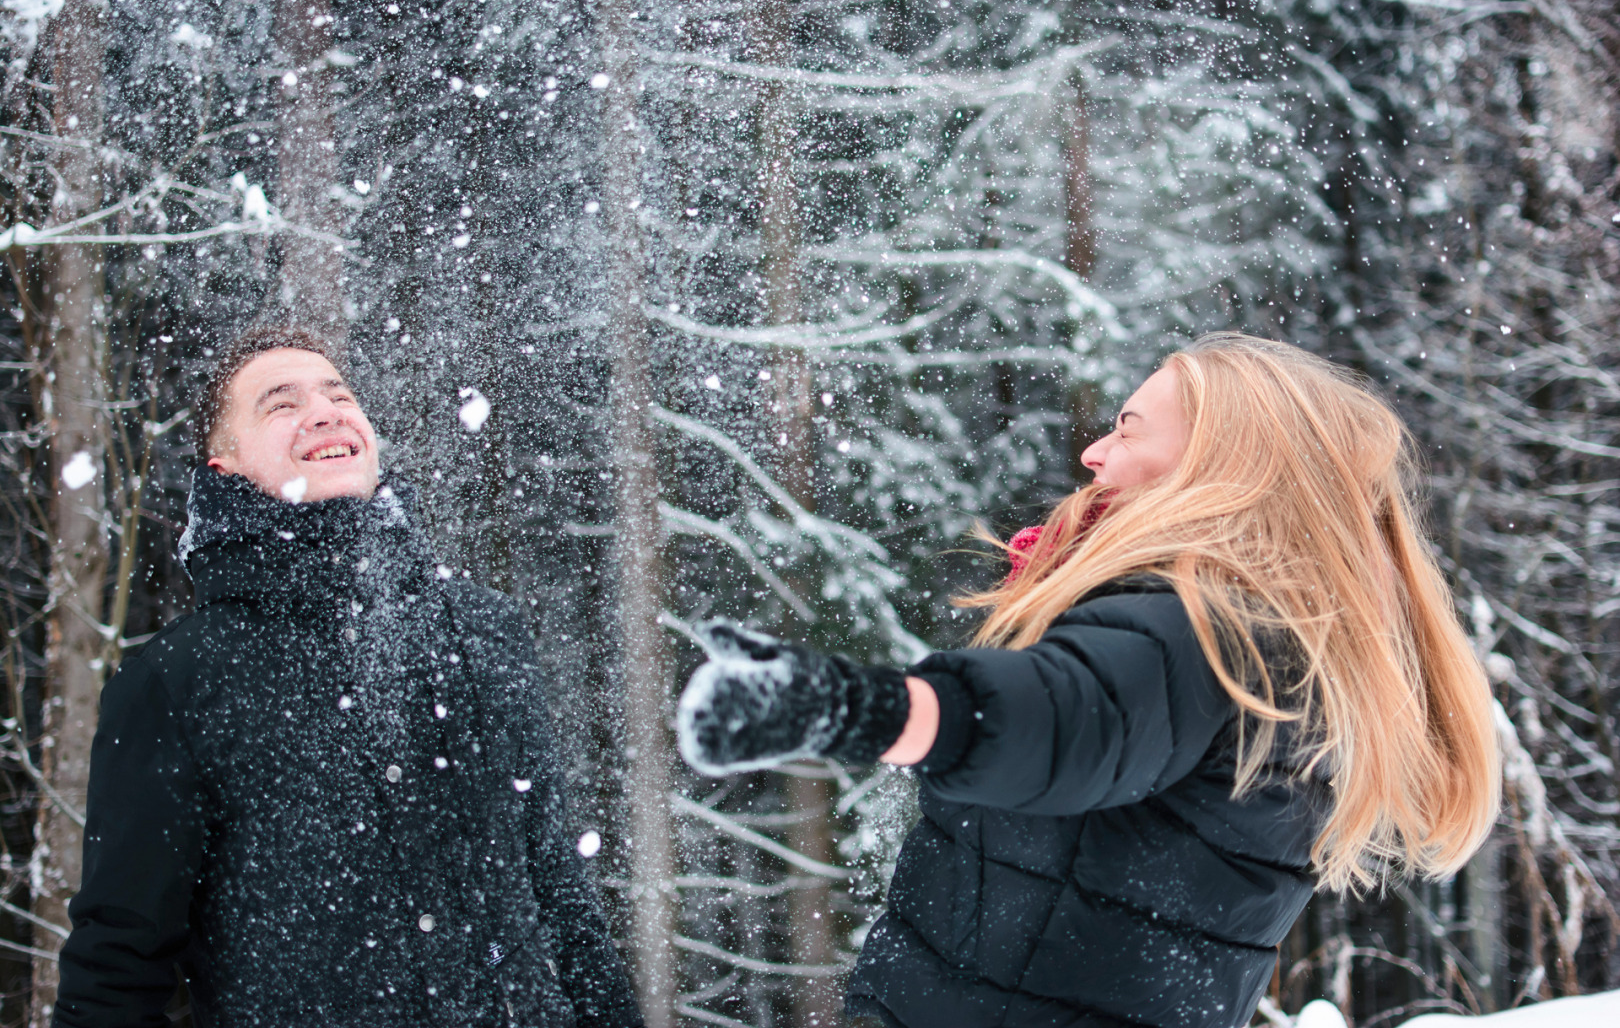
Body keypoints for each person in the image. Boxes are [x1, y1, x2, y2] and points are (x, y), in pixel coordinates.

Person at [676, 333, 1501, 1028]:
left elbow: (1063, 720)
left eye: (1130, 430)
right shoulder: (1262, 631)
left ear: (1223, 466)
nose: (1095, 452)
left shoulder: (1201, 626)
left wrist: (848, 707)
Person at [54, 328, 642, 1028]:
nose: (327, 411)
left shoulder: (485, 630)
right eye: (281, 404)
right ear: (225, 466)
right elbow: (118, 966)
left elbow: (560, 895)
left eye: (340, 394)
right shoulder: (177, 681)